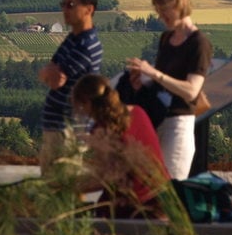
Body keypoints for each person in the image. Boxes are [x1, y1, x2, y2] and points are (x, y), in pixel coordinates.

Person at [125, 0, 213, 180]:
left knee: (170, 189)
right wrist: (143, 79)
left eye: (164, 10)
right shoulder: (166, 38)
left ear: (178, 6)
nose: (160, 16)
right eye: (158, 10)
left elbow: (191, 91)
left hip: (179, 123)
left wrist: (154, 73)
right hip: (157, 118)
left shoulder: (199, 43)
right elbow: (163, 81)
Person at [72, 74, 171, 218]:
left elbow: (103, 178)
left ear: (87, 102)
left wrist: (69, 186)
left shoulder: (101, 131)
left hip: (132, 203)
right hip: (162, 197)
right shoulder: (138, 112)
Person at [38, 0, 103, 174]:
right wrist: (50, 72)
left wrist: (50, 72)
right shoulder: (73, 39)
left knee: (62, 192)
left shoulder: (86, 45)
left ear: (89, 9)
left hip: (68, 131)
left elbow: (55, 79)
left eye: (71, 5)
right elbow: (49, 72)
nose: (64, 9)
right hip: (57, 128)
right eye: (63, 4)